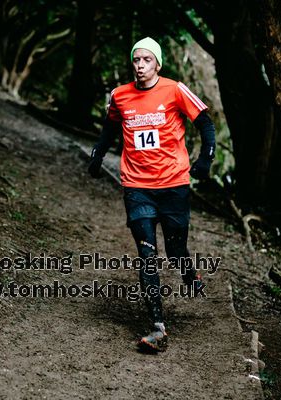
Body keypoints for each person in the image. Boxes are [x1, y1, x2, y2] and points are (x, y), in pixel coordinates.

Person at [88, 37, 216, 352]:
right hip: (137, 187)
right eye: (137, 60)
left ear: (157, 64)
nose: (141, 65)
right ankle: (157, 327)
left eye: (147, 60)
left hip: (173, 185)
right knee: (147, 255)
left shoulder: (175, 90)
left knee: (175, 250)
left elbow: (206, 124)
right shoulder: (120, 96)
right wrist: (96, 156)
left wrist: (205, 160)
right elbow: (109, 129)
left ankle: (189, 273)